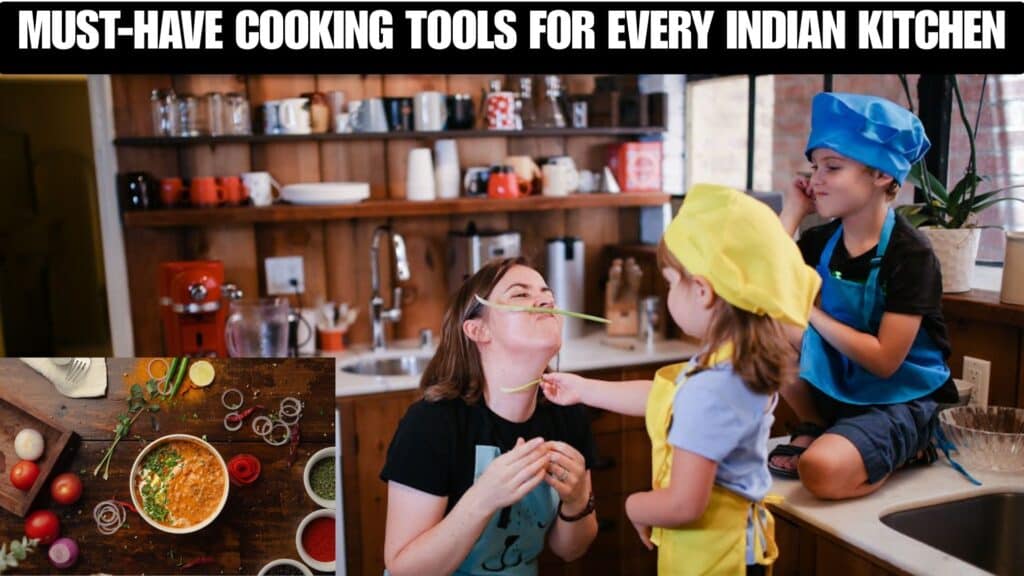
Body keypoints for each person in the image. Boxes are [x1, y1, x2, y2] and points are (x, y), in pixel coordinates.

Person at [541, 183, 821, 575]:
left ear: (703, 291)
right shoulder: (733, 363)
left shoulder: (713, 387)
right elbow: (668, 397)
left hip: (714, 562)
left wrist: (633, 505)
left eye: (671, 282)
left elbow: (684, 504)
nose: (669, 292)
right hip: (741, 551)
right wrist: (583, 389)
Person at [769, 92, 961, 499]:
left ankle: (916, 443)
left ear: (882, 176)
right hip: (843, 387)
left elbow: (884, 360)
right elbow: (757, 283)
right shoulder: (820, 241)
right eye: (814, 166)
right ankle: (814, 424)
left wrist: (810, 314)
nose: (816, 178)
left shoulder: (911, 254)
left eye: (833, 167)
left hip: (903, 398)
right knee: (764, 320)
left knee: (819, 470)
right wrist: (793, 213)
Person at [381, 257, 598, 576]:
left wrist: (578, 500)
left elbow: (570, 550)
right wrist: (484, 497)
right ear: (478, 329)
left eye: (547, 294)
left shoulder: (567, 412)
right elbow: (404, 569)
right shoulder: (432, 424)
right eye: (520, 294)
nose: (544, 300)